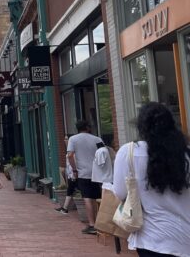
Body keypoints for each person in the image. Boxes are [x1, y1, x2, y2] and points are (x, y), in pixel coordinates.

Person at [113, 102, 190, 256]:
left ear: (142, 127)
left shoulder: (129, 152)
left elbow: (120, 193)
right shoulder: (185, 154)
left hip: (152, 238)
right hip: (186, 238)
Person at [67, 120, 103, 235]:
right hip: (97, 172)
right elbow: (104, 153)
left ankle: (92, 224)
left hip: (83, 173)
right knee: (99, 198)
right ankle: (101, 222)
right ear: (87, 127)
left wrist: (74, 169)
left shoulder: (73, 139)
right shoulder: (97, 139)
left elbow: (70, 155)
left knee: (87, 198)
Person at [55, 145, 78, 214]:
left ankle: (65, 208)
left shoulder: (74, 153)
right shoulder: (69, 152)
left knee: (71, 190)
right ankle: (65, 208)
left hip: (74, 174)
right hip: (71, 174)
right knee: (70, 190)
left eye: (67, 139)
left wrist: (74, 173)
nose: (65, 141)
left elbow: (74, 164)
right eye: (65, 139)